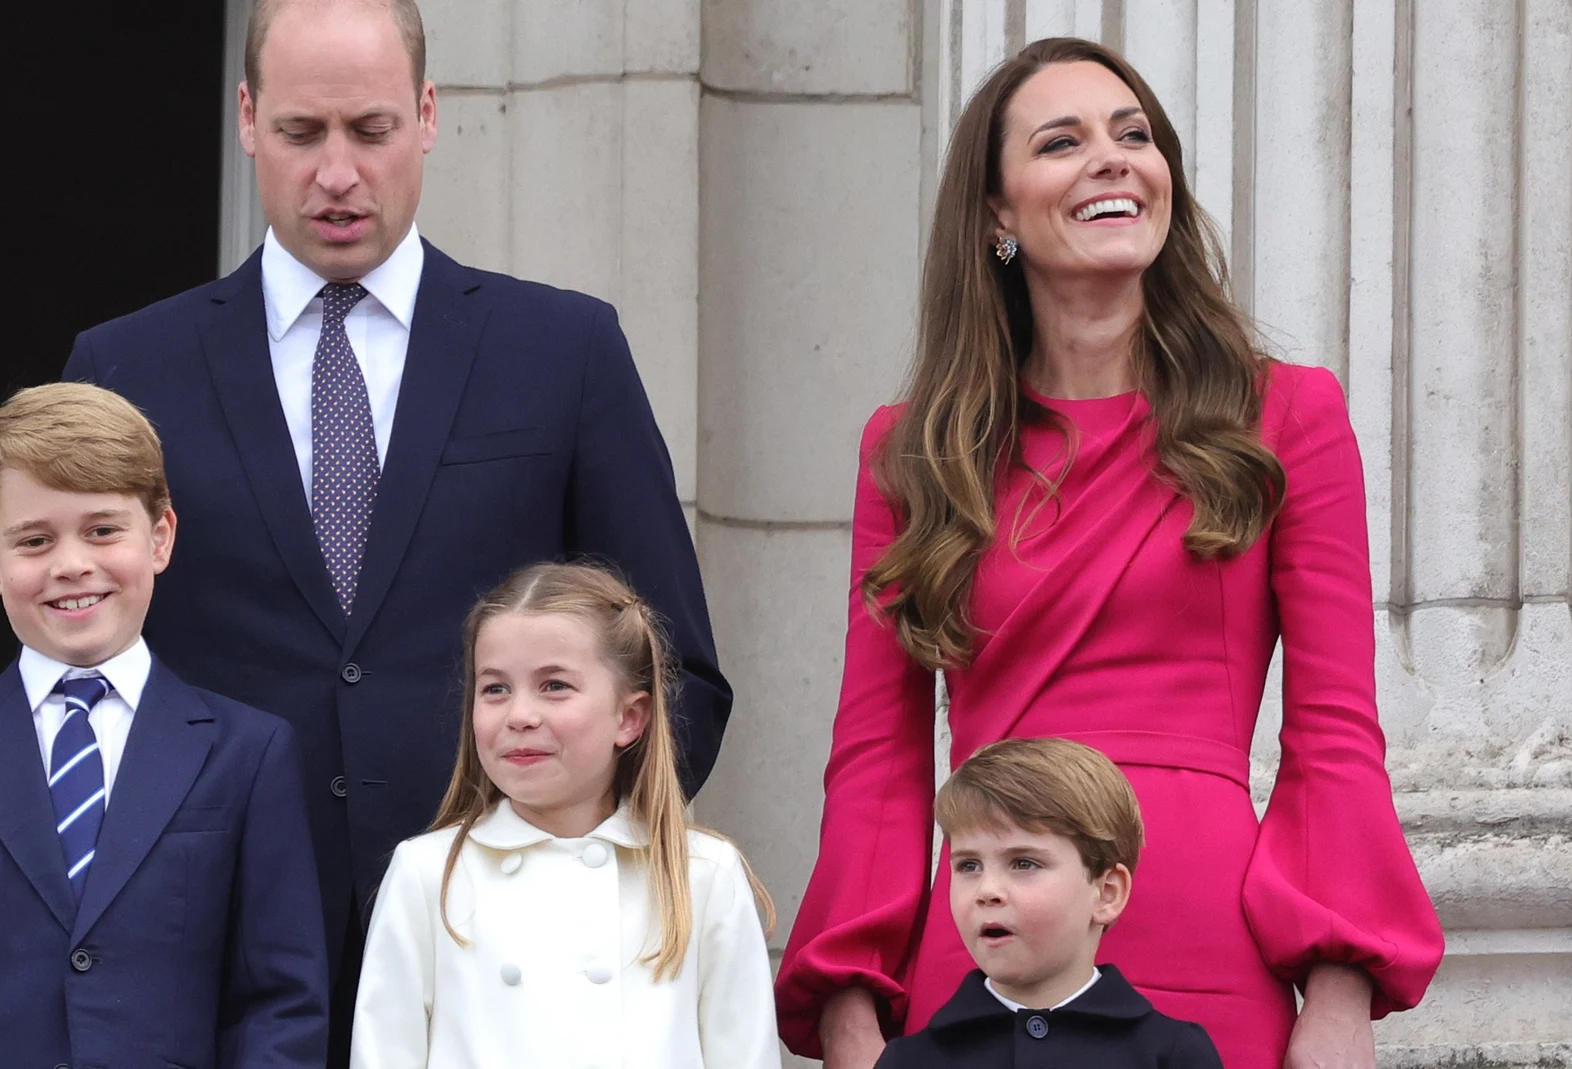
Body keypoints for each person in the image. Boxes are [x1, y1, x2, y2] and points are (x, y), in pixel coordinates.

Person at [60, 3, 728, 1053]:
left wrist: (562, 877)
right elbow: (71, 679)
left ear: (426, 116)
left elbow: (674, 666)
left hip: (503, 971)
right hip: (213, 964)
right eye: (300, 133)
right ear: (245, 119)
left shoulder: (562, 350)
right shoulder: (126, 369)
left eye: (369, 131)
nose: (336, 173)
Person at [773, 36, 1443, 1069]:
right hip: (987, 952)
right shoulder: (911, 450)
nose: (1113, 158)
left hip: (1208, 941)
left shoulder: (1287, 415)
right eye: (1062, 141)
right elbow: (875, 755)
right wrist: (851, 1002)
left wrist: (1339, 990)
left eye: (1134, 136)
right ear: (996, 213)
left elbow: (1335, 731)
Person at [0, 383, 329, 1068]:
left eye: (102, 529)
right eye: (34, 539)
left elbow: (280, 1002)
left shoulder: (248, 751)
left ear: (160, 536)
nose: (70, 564)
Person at [348, 562, 779, 1069]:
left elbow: (746, 1056)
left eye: (554, 685)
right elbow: (383, 1053)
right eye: (495, 689)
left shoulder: (703, 874)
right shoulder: (427, 873)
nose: (520, 714)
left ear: (629, 718)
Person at [875, 737, 1223, 1068]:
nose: (987, 889)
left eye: (1023, 863)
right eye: (969, 865)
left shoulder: (1173, 1054)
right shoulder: (908, 1060)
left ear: (1106, 893)